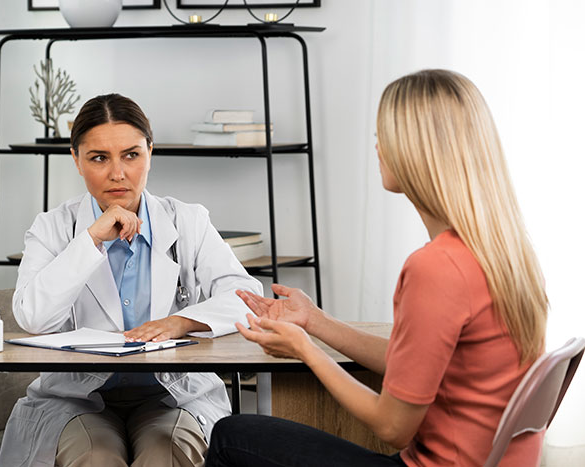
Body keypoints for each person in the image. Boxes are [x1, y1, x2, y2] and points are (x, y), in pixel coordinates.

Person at [206, 69, 549, 467]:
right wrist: (315, 323)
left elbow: (392, 426)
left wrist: (306, 352)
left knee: (232, 435)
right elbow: (412, 368)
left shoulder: (437, 268)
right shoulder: (503, 250)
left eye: (382, 136)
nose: (377, 148)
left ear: (415, 150)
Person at [0, 93, 263, 467]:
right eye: (99, 158)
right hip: (76, 398)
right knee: (96, 458)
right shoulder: (53, 228)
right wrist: (89, 241)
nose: (117, 173)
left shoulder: (188, 221)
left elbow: (246, 295)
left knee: (165, 455)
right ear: (76, 160)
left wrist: (181, 321)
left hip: (174, 394)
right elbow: (33, 317)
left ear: (150, 153)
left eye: (131, 155)